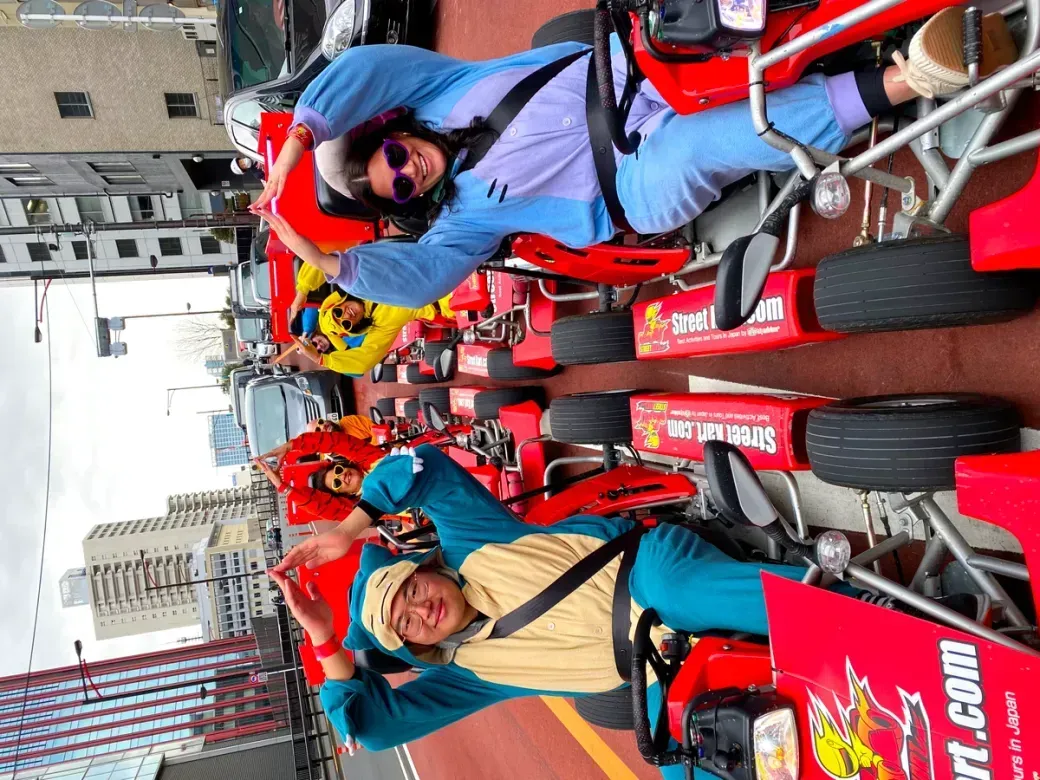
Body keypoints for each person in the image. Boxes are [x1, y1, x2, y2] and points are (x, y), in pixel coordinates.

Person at [270, 445, 986, 776]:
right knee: (690, 766)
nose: (419, 611)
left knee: (684, 593)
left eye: (408, 592)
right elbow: (370, 724)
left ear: (422, 570)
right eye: (403, 624)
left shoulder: (471, 540)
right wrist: (327, 640)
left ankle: (892, 616)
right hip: (654, 675)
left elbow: (422, 467)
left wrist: (351, 529)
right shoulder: (468, 676)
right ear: (413, 646)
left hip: (645, 573)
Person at [252, 10, 1014, 308]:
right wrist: (316, 255)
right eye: (396, 187)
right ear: (406, 203)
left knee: (698, 14)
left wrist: (301, 138)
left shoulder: (434, 88)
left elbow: (365, 70)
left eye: (392, 155)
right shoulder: (459, 226)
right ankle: (910, 77)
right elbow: (412, 281)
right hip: (632, 181)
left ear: (391, 130)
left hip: (628, 68)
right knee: (697, 146)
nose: (405, 168)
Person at [283, 261, 454, 377]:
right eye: (346, 324)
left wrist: (302, 291)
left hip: (436, 259)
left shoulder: (358, 275)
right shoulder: (381, 328)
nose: (346, 316)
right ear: (353, 329)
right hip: (447, 298)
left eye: (338, 313)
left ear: (336, 303)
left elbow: (322, 259)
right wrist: (321, 359)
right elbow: (362, 363)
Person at [256, 428, 386, 521]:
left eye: (338, 470)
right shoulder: (367, 507)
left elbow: (335, 441)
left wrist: (290, 446)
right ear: (346, 494)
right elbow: (322, 508)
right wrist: (283, 487)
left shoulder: (368, 457)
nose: (341, 476)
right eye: (337, 483)